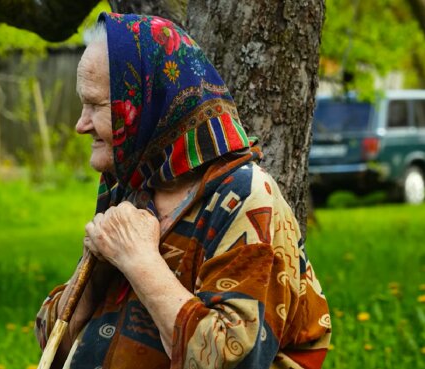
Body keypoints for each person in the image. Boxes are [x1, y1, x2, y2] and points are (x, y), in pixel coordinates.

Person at [35, 12, 331, 369]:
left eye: (98, 105)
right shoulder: (132, 187)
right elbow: (51, 340)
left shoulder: (247, 198)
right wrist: (95, 272)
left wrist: (139, 262)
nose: (80, 125)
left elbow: (234, 360)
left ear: (151, 105)